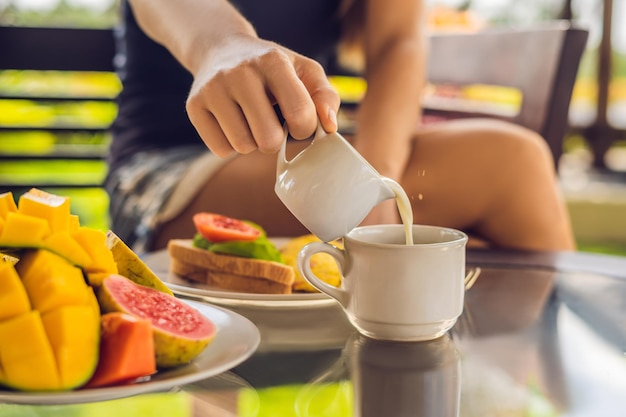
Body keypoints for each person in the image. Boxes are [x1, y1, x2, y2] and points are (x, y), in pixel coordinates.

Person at [105, 0, 576, 254]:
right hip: (165, 181)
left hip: (300, 163)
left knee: (513, 168)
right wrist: (221, 45)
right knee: (515, 166)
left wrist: (373, 185)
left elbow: (399, 45)